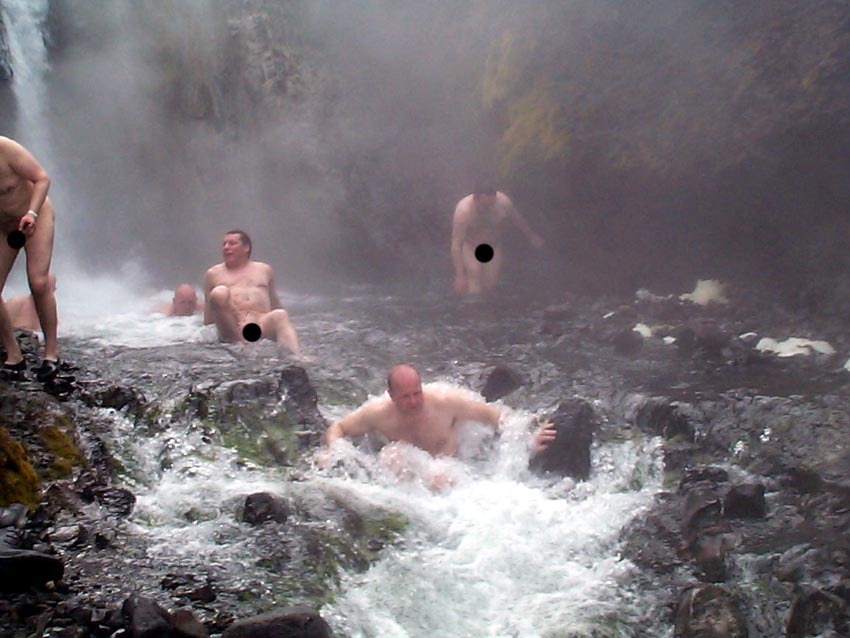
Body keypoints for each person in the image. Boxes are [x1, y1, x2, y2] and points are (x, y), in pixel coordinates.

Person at [319, 363, 556, 487]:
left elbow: (498, 417)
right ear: (391, 396)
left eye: (417, 393)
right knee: (393, 456)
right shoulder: (378, 413)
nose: (414, 402)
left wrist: (530, 437)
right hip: (410, 488)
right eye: (405, 397)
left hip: (456, 475)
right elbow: (338, 427)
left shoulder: (445, 401)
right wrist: (332, 450)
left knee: (440, 476)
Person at [0, 137, 59, 380]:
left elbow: (42, 178)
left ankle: (51, 354)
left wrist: (32, 213)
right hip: (4, 227)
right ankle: (14, 355)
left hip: (35, 217)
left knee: (38, 282)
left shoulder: (6, 149)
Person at [203, 229, 299, 352]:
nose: (226, 247)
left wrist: (286, 326)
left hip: (261, 321)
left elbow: (274, 303)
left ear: (246, 247)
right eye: (224, 244)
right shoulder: (213, 273)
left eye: (232, 244)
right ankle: (241, 345)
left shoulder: (264, 270)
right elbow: (209, 316)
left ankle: (294, 356)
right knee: (219, 293)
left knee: (280, 315)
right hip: (234, 324)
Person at [451, 183, 544, 296]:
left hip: (493, 245)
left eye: (492, 204)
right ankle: (473, 303)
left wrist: (531, 235)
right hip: (471, 246)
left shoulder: (503, 203)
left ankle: (485, 303)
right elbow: (456, 243)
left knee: (490, 284)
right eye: (485, 205)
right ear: (476, 199)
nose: (489, 208)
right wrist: (459, 275)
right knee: (474, 274)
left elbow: (517, 219)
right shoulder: (463, 211)